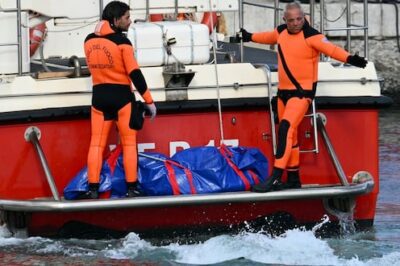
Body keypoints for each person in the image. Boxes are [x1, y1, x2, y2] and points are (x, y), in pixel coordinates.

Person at [240, 1, 367, 192]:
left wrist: (351, 59)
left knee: (285, 129)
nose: (296, 23)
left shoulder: (312, 36)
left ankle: (275, 177)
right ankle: (292, 178)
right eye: (291, 20)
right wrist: (248, 36)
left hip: (302, 94)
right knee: (292, 137)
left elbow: (332, 50)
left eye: (299, 19)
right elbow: (266, 37)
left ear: (304, 17)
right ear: (285, 20)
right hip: (283, 94)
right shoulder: (281, 31)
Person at [81, 1, 156, 199]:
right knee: (129, 144)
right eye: (127, 18)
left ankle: (93, 189)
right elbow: (135, 74)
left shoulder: (88, 41)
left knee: (96, 144)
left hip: (99, 98)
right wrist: (149, 100)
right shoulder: (123, 43)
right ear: (115, 20)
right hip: (122, 98)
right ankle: (132, 188)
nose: (130, 22)